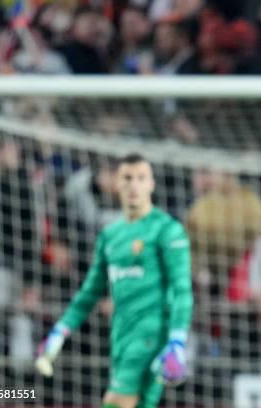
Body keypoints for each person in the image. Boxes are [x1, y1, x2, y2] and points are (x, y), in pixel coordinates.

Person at [35, 154, 194, 408]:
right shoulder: (110, 235)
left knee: (116, 402)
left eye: (141, 178)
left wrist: (177, 340)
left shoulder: (167, 230)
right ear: (115, 183)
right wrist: (59, 331)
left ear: (151, 183)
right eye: (127, 178)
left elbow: (182, 289)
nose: (134, 185)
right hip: (120, 335)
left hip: (152, 336)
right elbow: (89, 293)